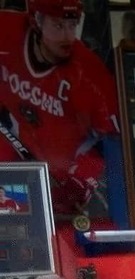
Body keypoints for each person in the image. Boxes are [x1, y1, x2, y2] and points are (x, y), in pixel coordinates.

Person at [0, 0, 119, 215]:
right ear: (36, 21)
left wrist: (81, 180)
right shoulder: (7, 29)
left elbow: (110, 141)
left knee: (30, 219)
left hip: (55, 182)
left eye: (72, 25)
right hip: (11, 166)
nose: (67, 36)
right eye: (58, 25)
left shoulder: (90, 73)